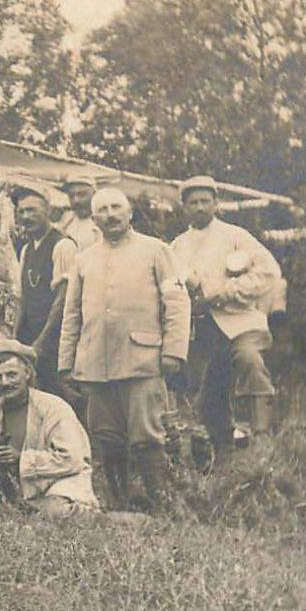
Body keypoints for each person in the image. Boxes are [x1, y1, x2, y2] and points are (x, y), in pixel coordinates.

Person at [58, 186, 191, 511]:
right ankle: (120, 501)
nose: (110, 215)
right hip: (95, 362)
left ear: (130, 213)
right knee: (106, 436)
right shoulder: (84, 258)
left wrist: (174, 350)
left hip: (141, 359)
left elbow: (177, 301)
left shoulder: (156, 250)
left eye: (117, 207)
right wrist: (67, 361)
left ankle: (160, 501)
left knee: (147, 435)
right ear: (93, 218)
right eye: (102, 210)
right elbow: (72, 312)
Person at [169, 175, 285, 448]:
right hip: (203, 328)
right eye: (193, 202)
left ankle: (261, 436)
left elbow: (269, 271)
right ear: (184, 207)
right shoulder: (176, 246)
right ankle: (223, 451)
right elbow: (171, 285)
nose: (200, 207)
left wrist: (227, 292)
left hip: (240, 319)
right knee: (208, 393)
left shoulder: (235, 236)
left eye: (205, 201)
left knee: (249, 358)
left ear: (216, 204)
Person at [0, 339, 98, 517]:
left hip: (59, 483)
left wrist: (20, 458)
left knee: (55, 511)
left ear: (27, 373)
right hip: (19, 488)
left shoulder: (53, 407)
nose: (5, 383)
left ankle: (79, 513)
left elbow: (73, 459)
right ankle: (22, 509)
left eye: (11, 375)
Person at [9, 187, 78, 396]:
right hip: (32, 336)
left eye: (32, 210)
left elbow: (64, 299)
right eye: (21, 212)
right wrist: (14, 338)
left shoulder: (63, 245)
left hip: (55, 338)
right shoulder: (27, 249)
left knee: (63, 392)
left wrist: (42, 342)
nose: (26, 217)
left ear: (47, 210)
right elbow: (22, 298)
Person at [59, 175, 102, 251]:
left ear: (94, 194)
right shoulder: (66, 220)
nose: (76, 200)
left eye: (82, 194)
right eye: (71, 196)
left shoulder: (103, 222)